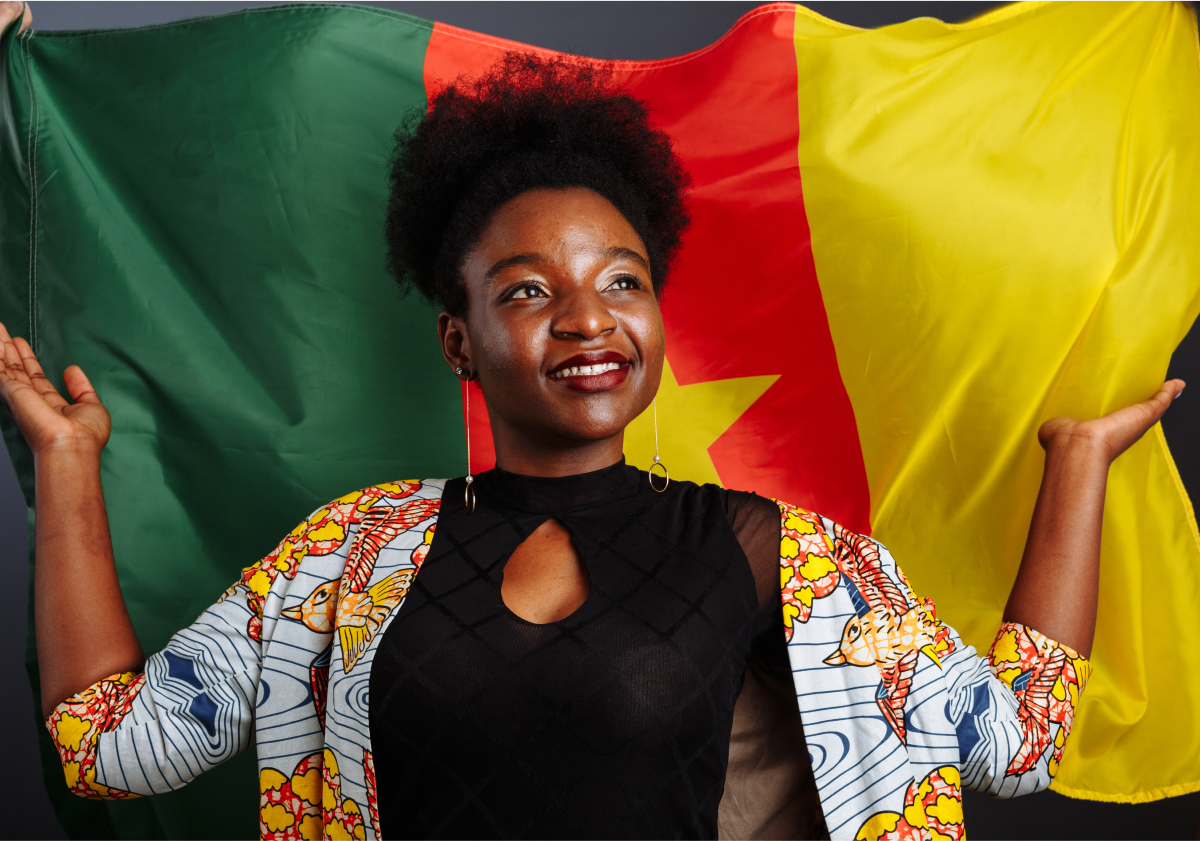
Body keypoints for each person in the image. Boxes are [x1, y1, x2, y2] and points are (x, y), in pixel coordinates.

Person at [0, 39, 1185, 841]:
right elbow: (116, 749)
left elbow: (1016, 742)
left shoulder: (783, 555)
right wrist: (66, 465)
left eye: (622, 279)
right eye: (525, 291)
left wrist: (1078, 462)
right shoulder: (349, 555)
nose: (587, 319)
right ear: (460, 343)